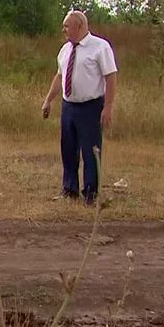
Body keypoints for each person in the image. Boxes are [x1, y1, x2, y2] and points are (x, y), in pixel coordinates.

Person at [41, 10, 118, 206]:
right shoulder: (65, 50)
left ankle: (91, 193)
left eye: (67, 26)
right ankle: (69, 189)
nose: (64, 29)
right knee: (68, 148)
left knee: (90, 150)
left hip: (91, 106)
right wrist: (49, 99)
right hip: (69, 106)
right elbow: (59, 76)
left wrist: (108, 107)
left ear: (80, 26)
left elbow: (110, 76)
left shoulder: (100, 47)